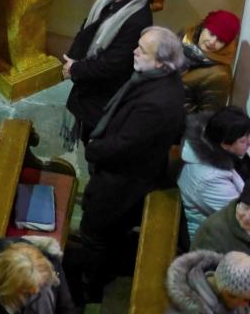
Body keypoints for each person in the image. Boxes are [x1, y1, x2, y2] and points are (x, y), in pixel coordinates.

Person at [67, 26, 187, 305]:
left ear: (161, 62)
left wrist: (94, 149)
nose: (134, 51)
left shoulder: (157, 103)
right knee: (110, 230)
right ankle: (102, 269)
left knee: (95, 232)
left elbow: (126, 146)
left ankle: (89, 288)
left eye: (142, 50)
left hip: (122, 181)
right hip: (130, 173)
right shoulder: (161, 79)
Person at [62, 0, 155, 144]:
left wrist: (76, 69)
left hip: (103, 91)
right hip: (87, 77)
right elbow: (88, 28)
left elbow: (112, 64)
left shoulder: (138, 20)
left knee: (92, 138)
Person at [179, 108, 250, 240]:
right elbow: (242, 219)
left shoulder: (234, 150)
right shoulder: (208, 178)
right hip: (217, 241)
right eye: (244, 140)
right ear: (225, 143)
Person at [0, 237, 75, 314]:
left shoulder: (48, 262)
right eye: (28, 291)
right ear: (11, 287)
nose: (37, 291)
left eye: (43, 284)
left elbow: (66, 305)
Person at [193, 180, 250, 280]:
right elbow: (198, 274)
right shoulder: (212, 231)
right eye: (245, 207)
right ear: (238, 203)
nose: (247, 216)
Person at [166, 250, 250, 314]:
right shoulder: (183, 308)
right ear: (230, 294)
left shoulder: (236, 305)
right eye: (246, 300)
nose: (246, 305)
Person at [180, 10, 241, 113]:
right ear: (203, 27)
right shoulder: (183, 40)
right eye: (211, 33)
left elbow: (207, 116)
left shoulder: (220, 75)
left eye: (220, 40)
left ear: (225, 46)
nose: (212, 42)